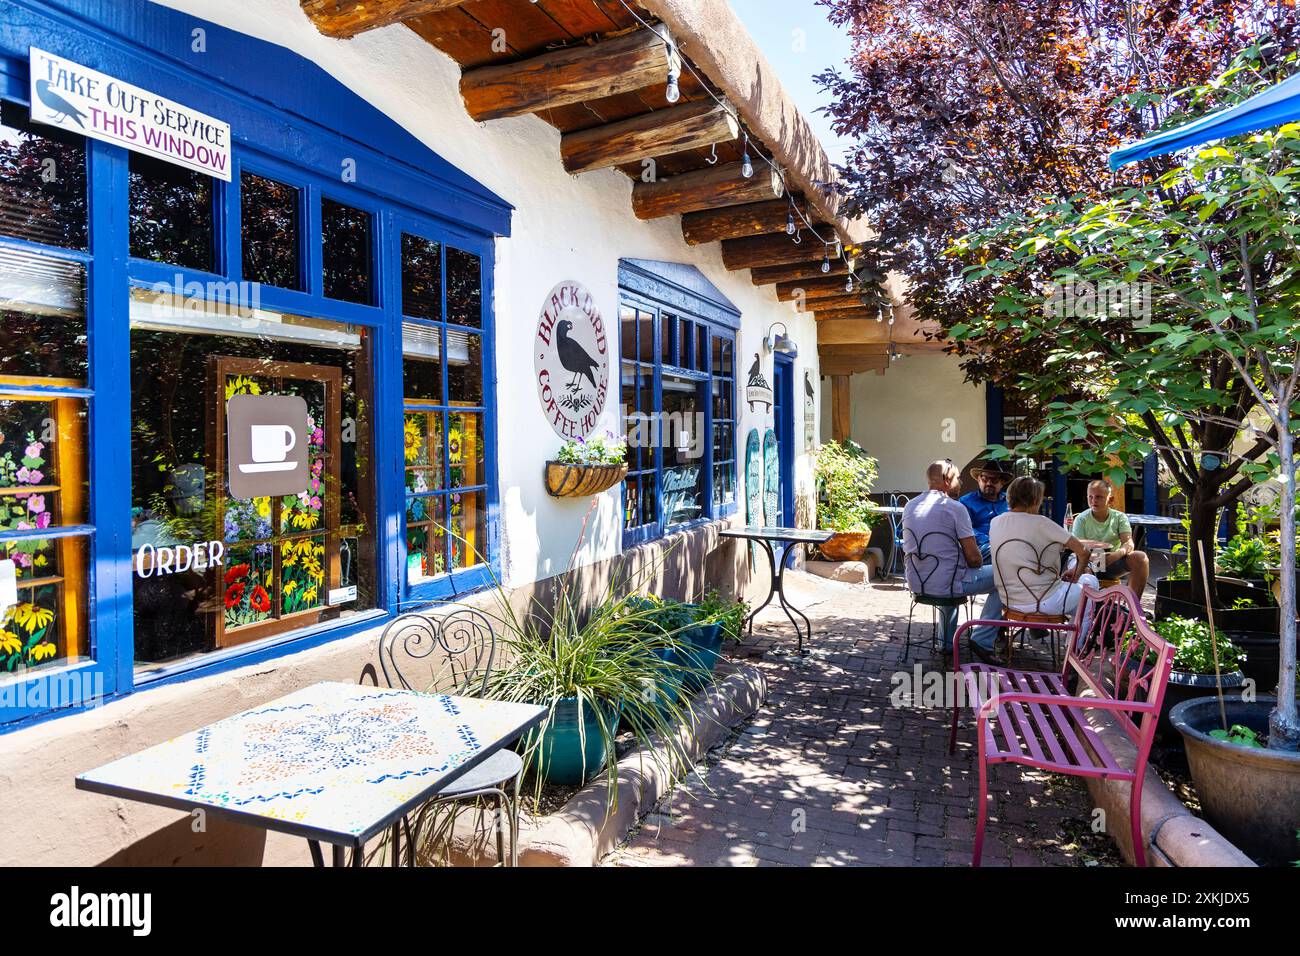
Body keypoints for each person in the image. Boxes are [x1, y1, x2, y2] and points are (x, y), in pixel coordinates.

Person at [988, 477, 1099, 659]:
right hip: (1043, 602)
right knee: (1090, 583)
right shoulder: (1042, 523)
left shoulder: (996, 522)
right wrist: (1076, 575)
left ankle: (1072, 645)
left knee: (1076, 588)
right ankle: (1074, 650)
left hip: (1009, 601)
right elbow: (1084, 552)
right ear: (1035, 500)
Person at [902, 459, 1002, 654]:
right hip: (948, 585)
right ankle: (982, 639)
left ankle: (945, 644)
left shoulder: (910, 506)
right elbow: (974, 559)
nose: (961, 483)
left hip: (917, 583)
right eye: (958, 478)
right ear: (947, 480)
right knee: (1006, 576)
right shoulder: (955, 508)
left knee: (950, 572)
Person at [1070, 478, 1150, 598]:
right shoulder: (1081, 519)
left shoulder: (1119, 517)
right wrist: (1094, 558)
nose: (1093, 500)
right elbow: (1077, 548)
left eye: (1099, 497)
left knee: (1141, 558)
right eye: (1090, 497)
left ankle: (1132, 605)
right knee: (1084, 571)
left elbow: (1128, 543)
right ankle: (1089, 607)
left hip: (1112, 562)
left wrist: (1115, 555)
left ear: (1110, 500)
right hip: (1087, 561)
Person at [959, 460, 1012, 561]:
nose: (988, 483)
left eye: (994, 480)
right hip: (981, 547)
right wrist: (990, 540)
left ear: (1002, 483)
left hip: (1009, 543)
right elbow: (965, 528)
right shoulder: (966, 501)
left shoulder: (1010, 501)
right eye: (984, 479)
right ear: (978, 480)